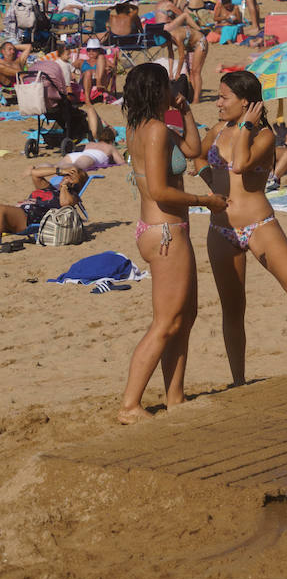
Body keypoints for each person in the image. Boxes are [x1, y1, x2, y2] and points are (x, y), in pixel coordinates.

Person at [202, 71, 287, 383]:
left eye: (225, 97)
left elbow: (240, 163)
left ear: (246, 103)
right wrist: (210, 182)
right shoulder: (217, 129)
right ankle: (238, 378)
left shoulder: (263, 136)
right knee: (233, 306)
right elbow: (198, 155)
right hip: (221, 227)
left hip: (258, 222)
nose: (218, 103)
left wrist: (247, 125)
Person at [119, 63, 226, 423]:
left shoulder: (148, 126)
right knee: (165, 322)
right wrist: (205, 201)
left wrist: (185, 110)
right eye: (167, 86)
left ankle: (175, 397)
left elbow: (193, 148)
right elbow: (160, 190)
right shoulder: (153, 132)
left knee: (186, 316)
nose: (173, 89)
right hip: (165, 231)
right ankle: (130, 406)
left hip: (162, 230)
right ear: (156, 91)